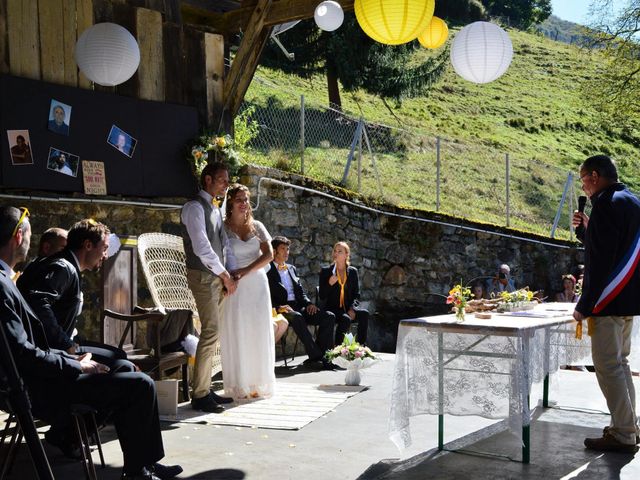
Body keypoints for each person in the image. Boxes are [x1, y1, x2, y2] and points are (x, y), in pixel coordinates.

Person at [0, 206, 181, 480]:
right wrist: (71, 356)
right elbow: (28, 340)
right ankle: (131, 466)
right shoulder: (58, 268)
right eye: (104, 248)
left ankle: (137, 461)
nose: (106, 255)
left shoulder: (29, 272)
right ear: (17, 237)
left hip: (42, 371)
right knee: (139, 383)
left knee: (121, 364)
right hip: (41, 384)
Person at [572, 154, 640, 453]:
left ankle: (623, 434)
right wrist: (586, 231)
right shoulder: (633, 202)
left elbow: (600, 261)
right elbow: (614, 248)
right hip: (629, 299)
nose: (584, 187)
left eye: (584, 179)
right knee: (620, 365)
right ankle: (630, 426)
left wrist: (584, 305)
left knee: (608, 367)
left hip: (607, 302)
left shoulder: (605, 204)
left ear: (595, 176)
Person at [17, 220, 128, 366]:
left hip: (58, 347)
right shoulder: (63, 267)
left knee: (119, 356)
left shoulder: (63, 264)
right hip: (51, 353)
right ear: (88, 245)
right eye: (104, 248)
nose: (105, 255)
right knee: (121, 364)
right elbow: (38, 303)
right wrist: (66, 344)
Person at [181, 162, 236, 412]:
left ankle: (206, 388)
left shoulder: (215, 208)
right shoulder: (194, 207)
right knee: (211, 331)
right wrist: (225, 275)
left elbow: (224, 246)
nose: (226, 184)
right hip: (203, 277)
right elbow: (202, 248)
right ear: (207, 180)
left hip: (218, 277)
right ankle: (200, 394)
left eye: (227, 180)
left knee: (215, 333)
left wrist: (230, 275)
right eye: (222, 180)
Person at [220, 184, 275, 399]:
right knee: (238, 331)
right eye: (239, 200)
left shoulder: (257, 226)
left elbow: (269, 255)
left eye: (246, 199)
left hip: (257, 285)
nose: (244, 204)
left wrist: (246, 270)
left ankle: (258, 384)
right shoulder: (223, 228)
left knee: (257, 331)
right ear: (231, 203)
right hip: (235, 286)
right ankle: (239, 384)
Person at [267, 236, 336, 369]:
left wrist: (309, 304)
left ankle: (320, 355)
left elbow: (300, 292)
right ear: (274, 251)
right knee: (297, 317)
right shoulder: (267, 269)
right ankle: (317, 356)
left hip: (298, 306)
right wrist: (278, 307)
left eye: (288, 249)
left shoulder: (291, 268)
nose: (287, 252)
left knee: (328, 316)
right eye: (283, 249)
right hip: (281, 309)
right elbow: (264, 294)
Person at [319, 242, 369, 346]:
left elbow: (357, 294)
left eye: (340, 251)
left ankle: (361, 347)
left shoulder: (353, 272)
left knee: (364, 314)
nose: (336, 253)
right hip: (332, 309)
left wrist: (352, 308)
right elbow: (322, 295)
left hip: (347, 309)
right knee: (345, 319)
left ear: (347, 255)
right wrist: (329, 284)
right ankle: (338, 349)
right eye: (335, 251)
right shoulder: (326, 271)